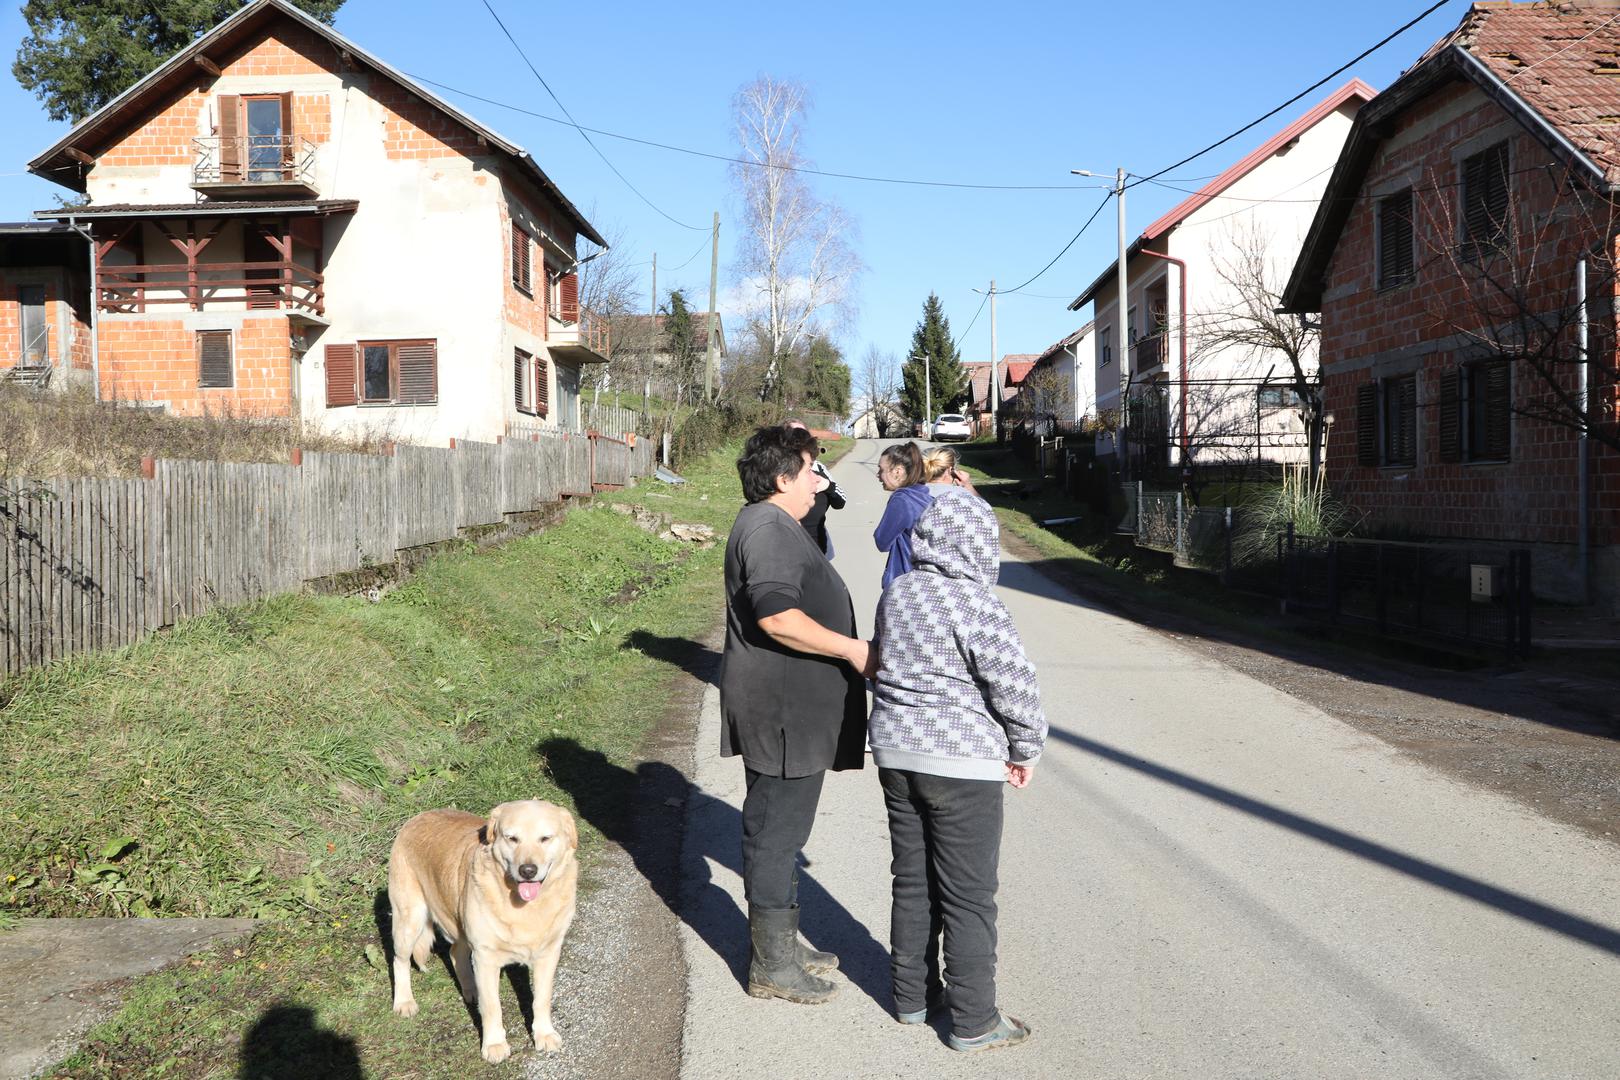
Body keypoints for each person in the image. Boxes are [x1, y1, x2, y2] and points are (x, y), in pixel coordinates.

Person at [869, 487, 1047, 1052]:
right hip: (960, 761)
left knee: (913, 881)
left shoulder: (898, 592)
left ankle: (912, 997)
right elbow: (1014, 685)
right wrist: (1025, 749)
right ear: (981, 544)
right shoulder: (975, 602)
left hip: (896, 756)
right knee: (969, 895)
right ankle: (974, 1020)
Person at [720, 423, 877, 1005]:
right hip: (781, 711)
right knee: (775, 834)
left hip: (791, 708)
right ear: (783, 478)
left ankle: (782, 946)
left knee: (784, 831)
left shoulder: (778, 523)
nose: (818, 479)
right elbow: (777, 616)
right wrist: (853, 649)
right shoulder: (767, 528)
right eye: (810, 470)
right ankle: (772, 965)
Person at [872, 442, 930, 589]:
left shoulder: (901, 499)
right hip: (925, 580)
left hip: (905, 581)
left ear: (898, 471)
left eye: (881, 469)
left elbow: (882, 542)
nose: (878, 475)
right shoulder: (925, 496)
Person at [785, 419, 846, 556]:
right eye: (794, 434)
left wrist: (828, 486)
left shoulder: (818, 468)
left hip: (819, 548)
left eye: (803, 434)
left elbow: (841, 500)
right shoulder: (779, 470)